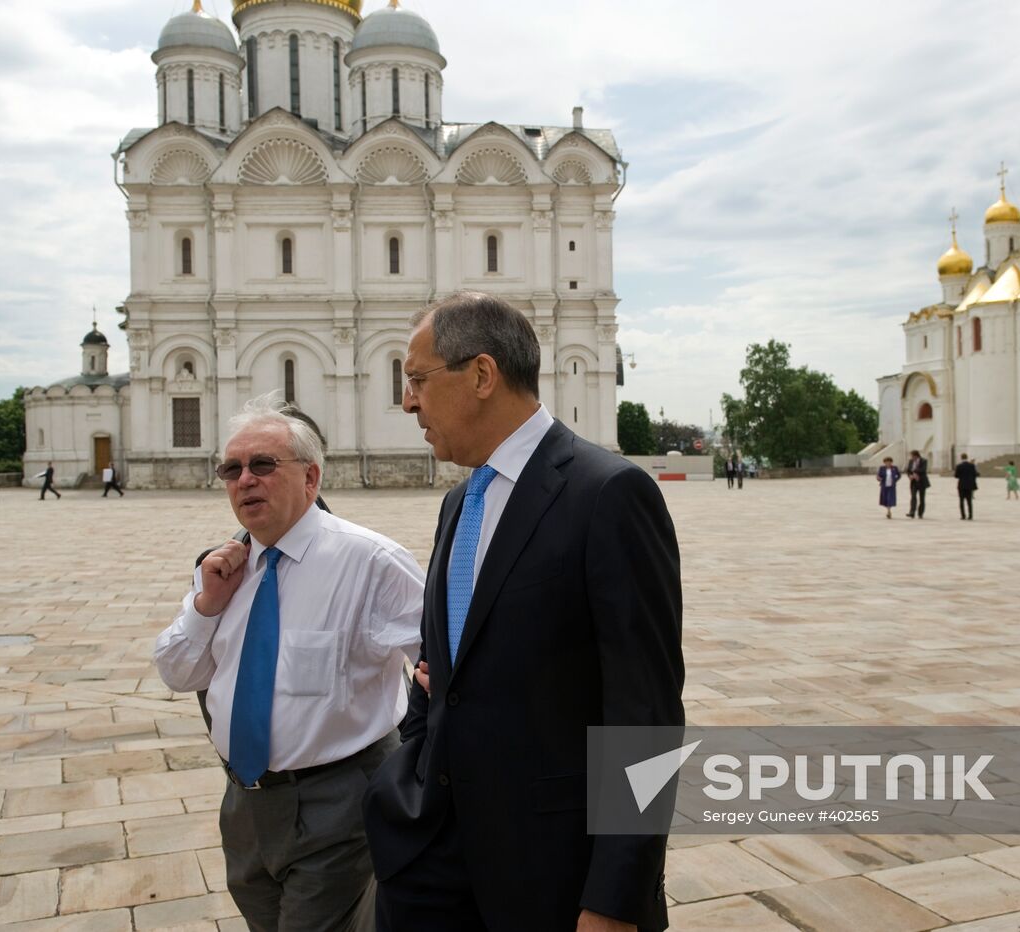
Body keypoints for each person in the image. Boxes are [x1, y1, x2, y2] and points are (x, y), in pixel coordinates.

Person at [365, 293, 684, 932]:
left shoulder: (609, 494)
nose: (407, 402)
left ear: (481, 376)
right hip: (431, 868)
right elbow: (443, 664)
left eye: (417, 380)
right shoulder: (458, 505)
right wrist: (414, 770)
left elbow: (644, 714)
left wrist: (615, 898)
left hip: (552, 878)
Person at [155, 393, 424, 932]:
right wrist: (206, 605)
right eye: (231, 469)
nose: (244, 480)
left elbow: (442, 671)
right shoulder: (224, 567)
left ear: (311, 477)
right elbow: (178, 673)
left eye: (263, 465)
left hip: (337, 802)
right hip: (246, 806)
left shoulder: (370, 561)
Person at [905, 449, 929, 518]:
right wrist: (910, 475)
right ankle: (912, 512)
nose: (912, 458)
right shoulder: (911, 461)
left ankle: (920, 513)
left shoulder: (923, 461)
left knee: (922, 498)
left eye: (912, 456)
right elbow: (908, 470)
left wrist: (915, 472)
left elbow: (923, 470)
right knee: (913, 497)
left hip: (921, 482)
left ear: (916, 456)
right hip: (913, 482)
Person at [955, 452, 978, 520]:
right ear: (967, 457)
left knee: (961, 501)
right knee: (969, 501)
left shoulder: (959, 466)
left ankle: (963, 515)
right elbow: (975, 474)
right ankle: (970, 515)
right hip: (969, 485)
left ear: (961, 458)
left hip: (961, 485)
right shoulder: (972, 466)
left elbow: (956, 476)